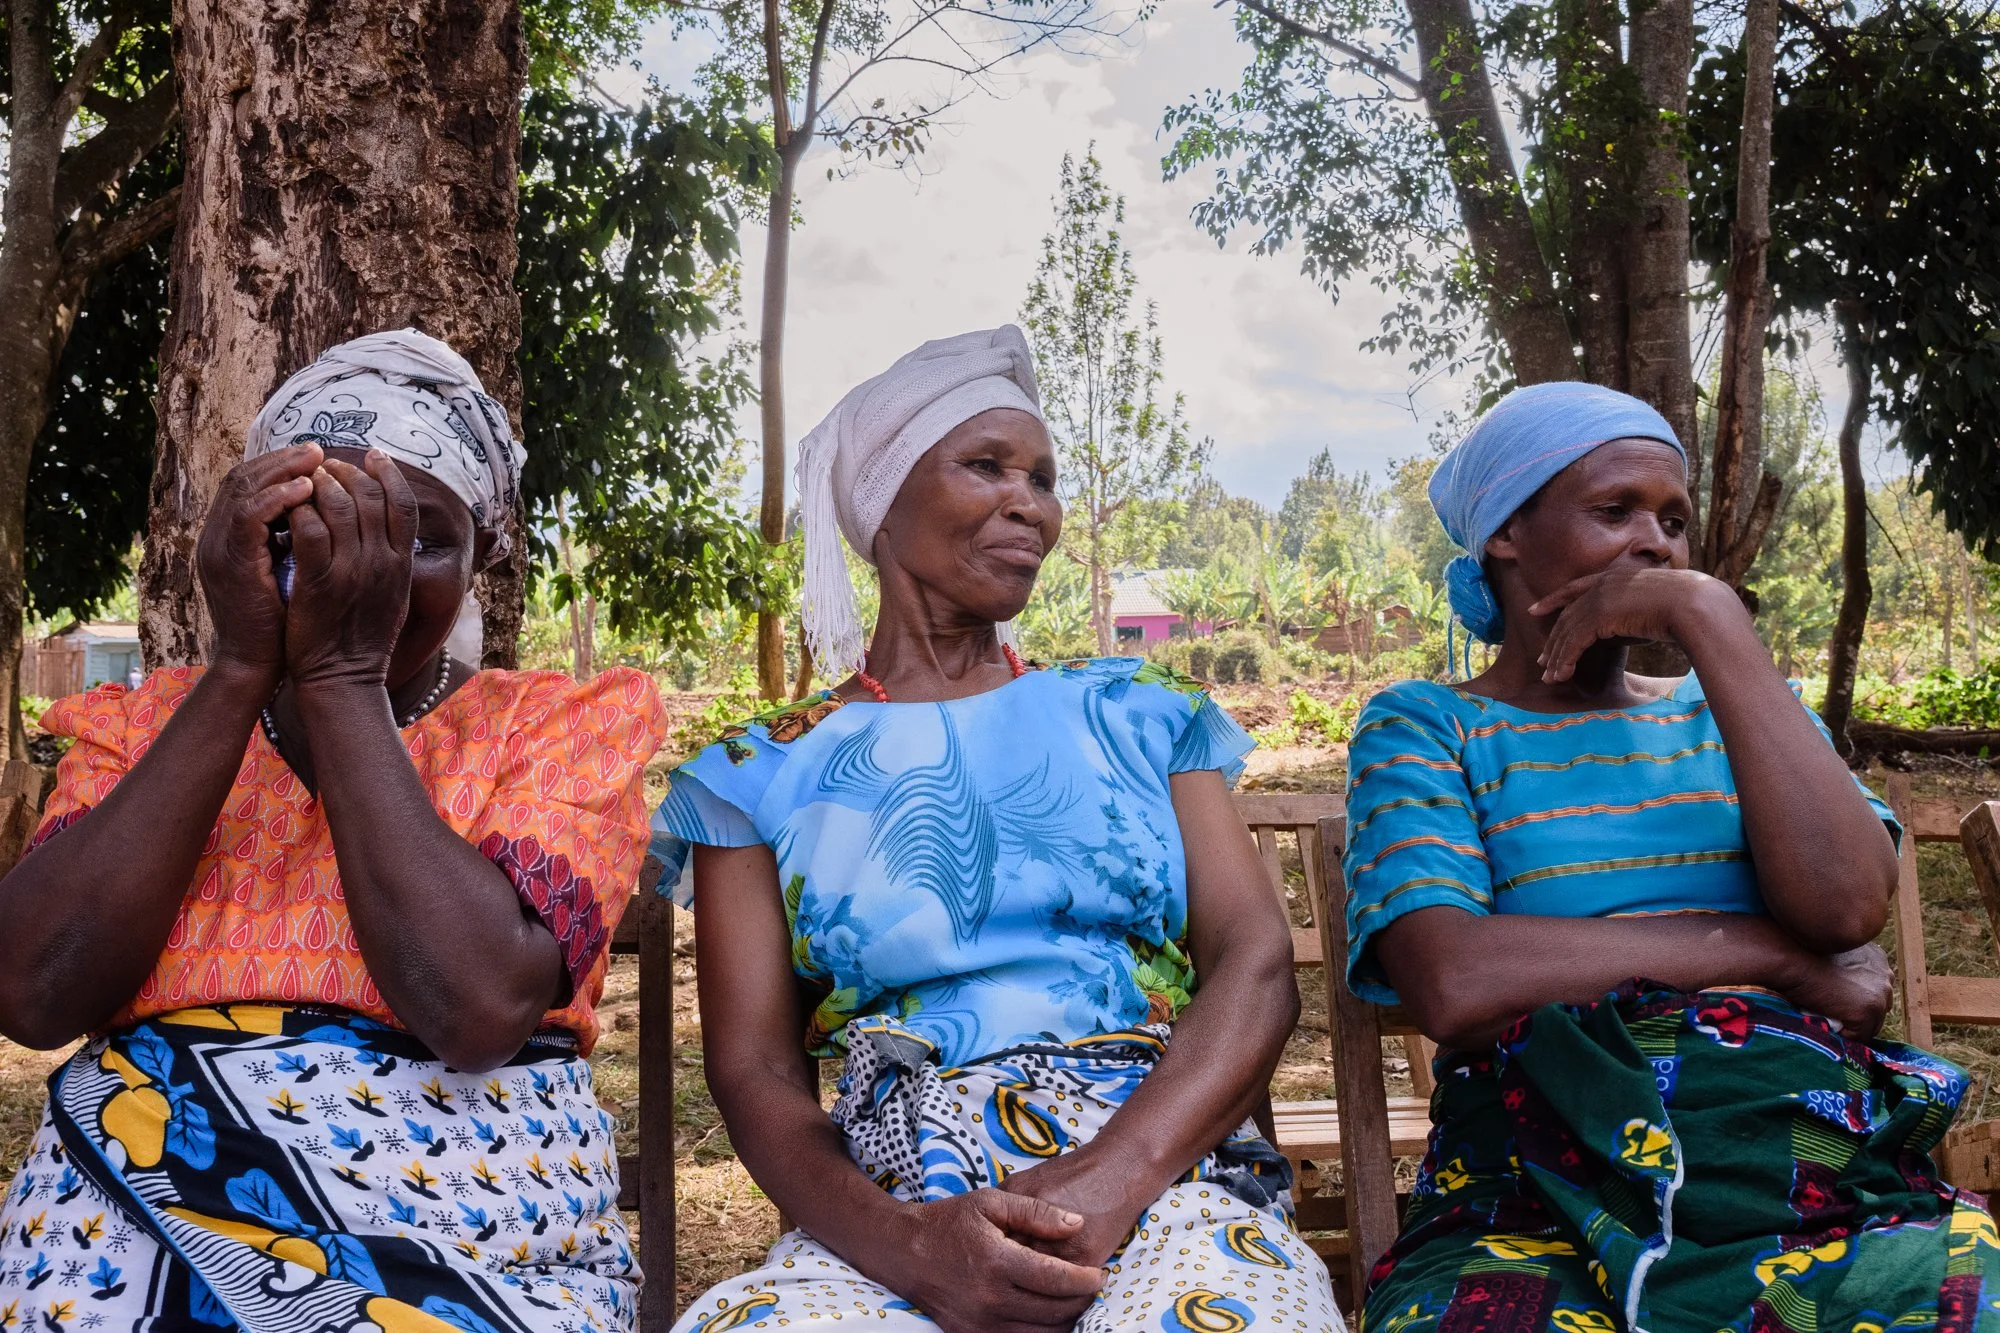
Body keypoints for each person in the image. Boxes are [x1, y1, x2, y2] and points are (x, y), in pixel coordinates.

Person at [654, 326, 1342, 1333]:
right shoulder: (755, 772)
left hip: (1161, 1169)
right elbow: (753, 1069)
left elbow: (1254, 961)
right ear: (884, 500)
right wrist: (914, 1252)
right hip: (894, 1201)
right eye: (986, 466)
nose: (1031, 503)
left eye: (1042, 477)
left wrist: (1106, 1183)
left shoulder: (1137, 712)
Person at [0, 330, 665, 1333]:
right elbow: (36, 990)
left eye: (417, 540)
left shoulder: (557, 726)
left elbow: (478, 1010)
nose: (355, 574)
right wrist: (236, 673)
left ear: (488, 552)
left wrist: (341, 680)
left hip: (468, 1220)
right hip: (140, 1212)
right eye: (304, 534)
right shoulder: (150, 727)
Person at [1344, 381, 1992, 1332]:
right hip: (1535, 1173)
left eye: (1675, 523)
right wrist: (1774, 956)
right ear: (1505, 536)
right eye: (1615, 511)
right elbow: (1456, 978)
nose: (1655, 542)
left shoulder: (1740, 717)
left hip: (1805, 1156)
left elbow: (1847, 907)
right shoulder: (1428, 725)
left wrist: (1707, 618)